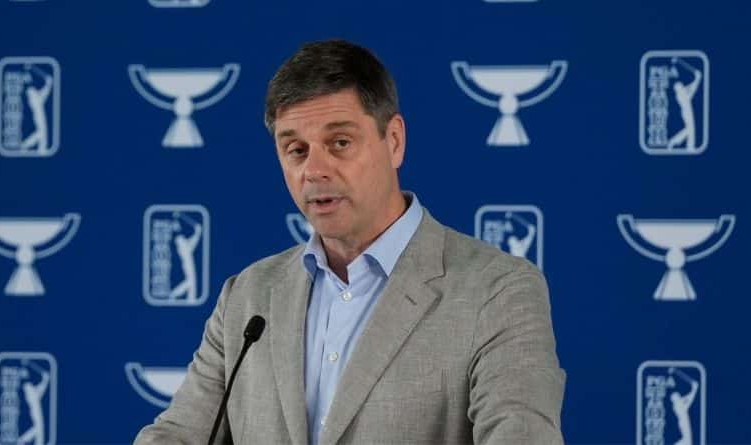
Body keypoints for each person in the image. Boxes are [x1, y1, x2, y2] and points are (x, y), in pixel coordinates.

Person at [134, 39, 565, 444]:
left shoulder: (498, 290)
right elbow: (177, 434)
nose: (315, 170)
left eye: (339, 143)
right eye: (296, 150)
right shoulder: (249, 295)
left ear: (393, 141)